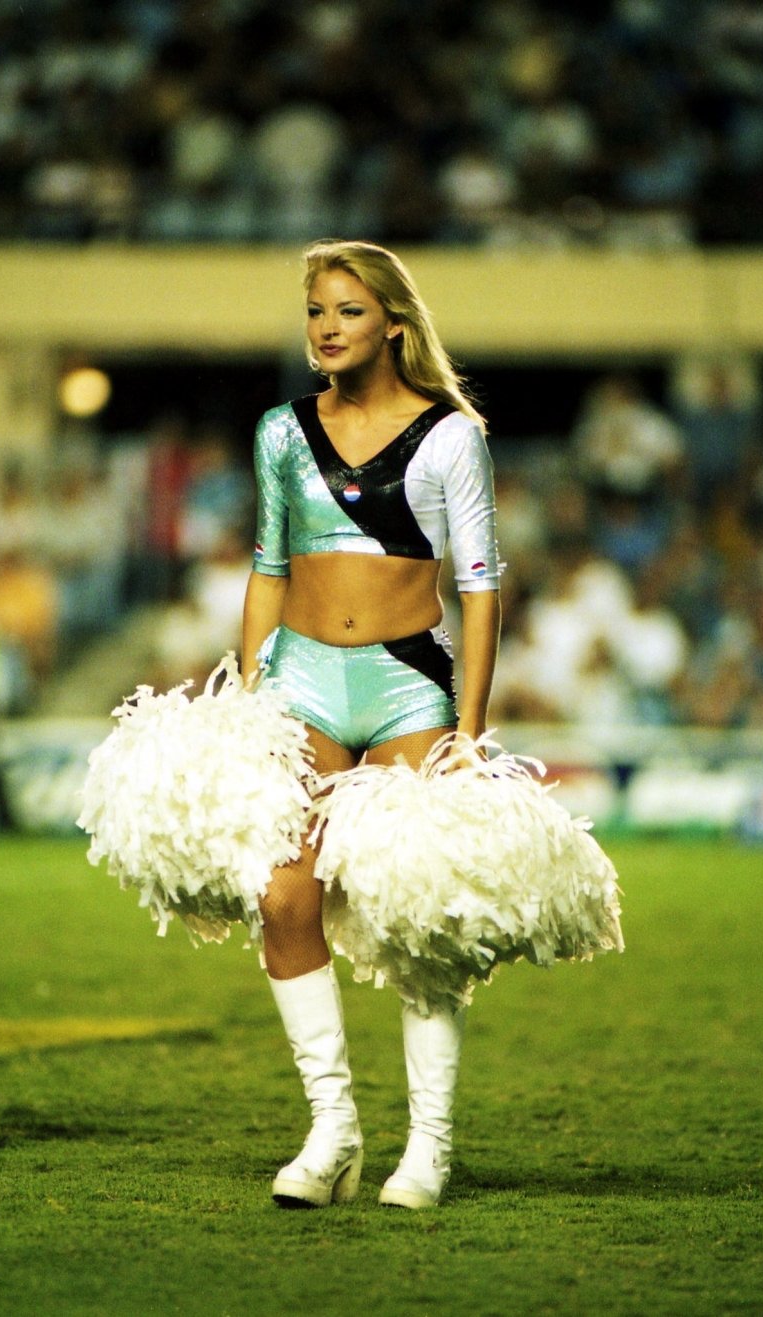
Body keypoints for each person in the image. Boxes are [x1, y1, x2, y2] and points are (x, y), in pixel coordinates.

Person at [240, 239, 502, 1210]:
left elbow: (479, 587)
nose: (326, 328)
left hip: (404, 686)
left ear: (392, 323)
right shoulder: (280, 431)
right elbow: (268, 568)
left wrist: (467, 730)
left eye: (348, 311)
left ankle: (427, 1145)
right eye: (315, 311)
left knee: (414, 911)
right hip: (301, 680)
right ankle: (333, 1129)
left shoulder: (449, 437)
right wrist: (247, 694)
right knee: (282, 897)